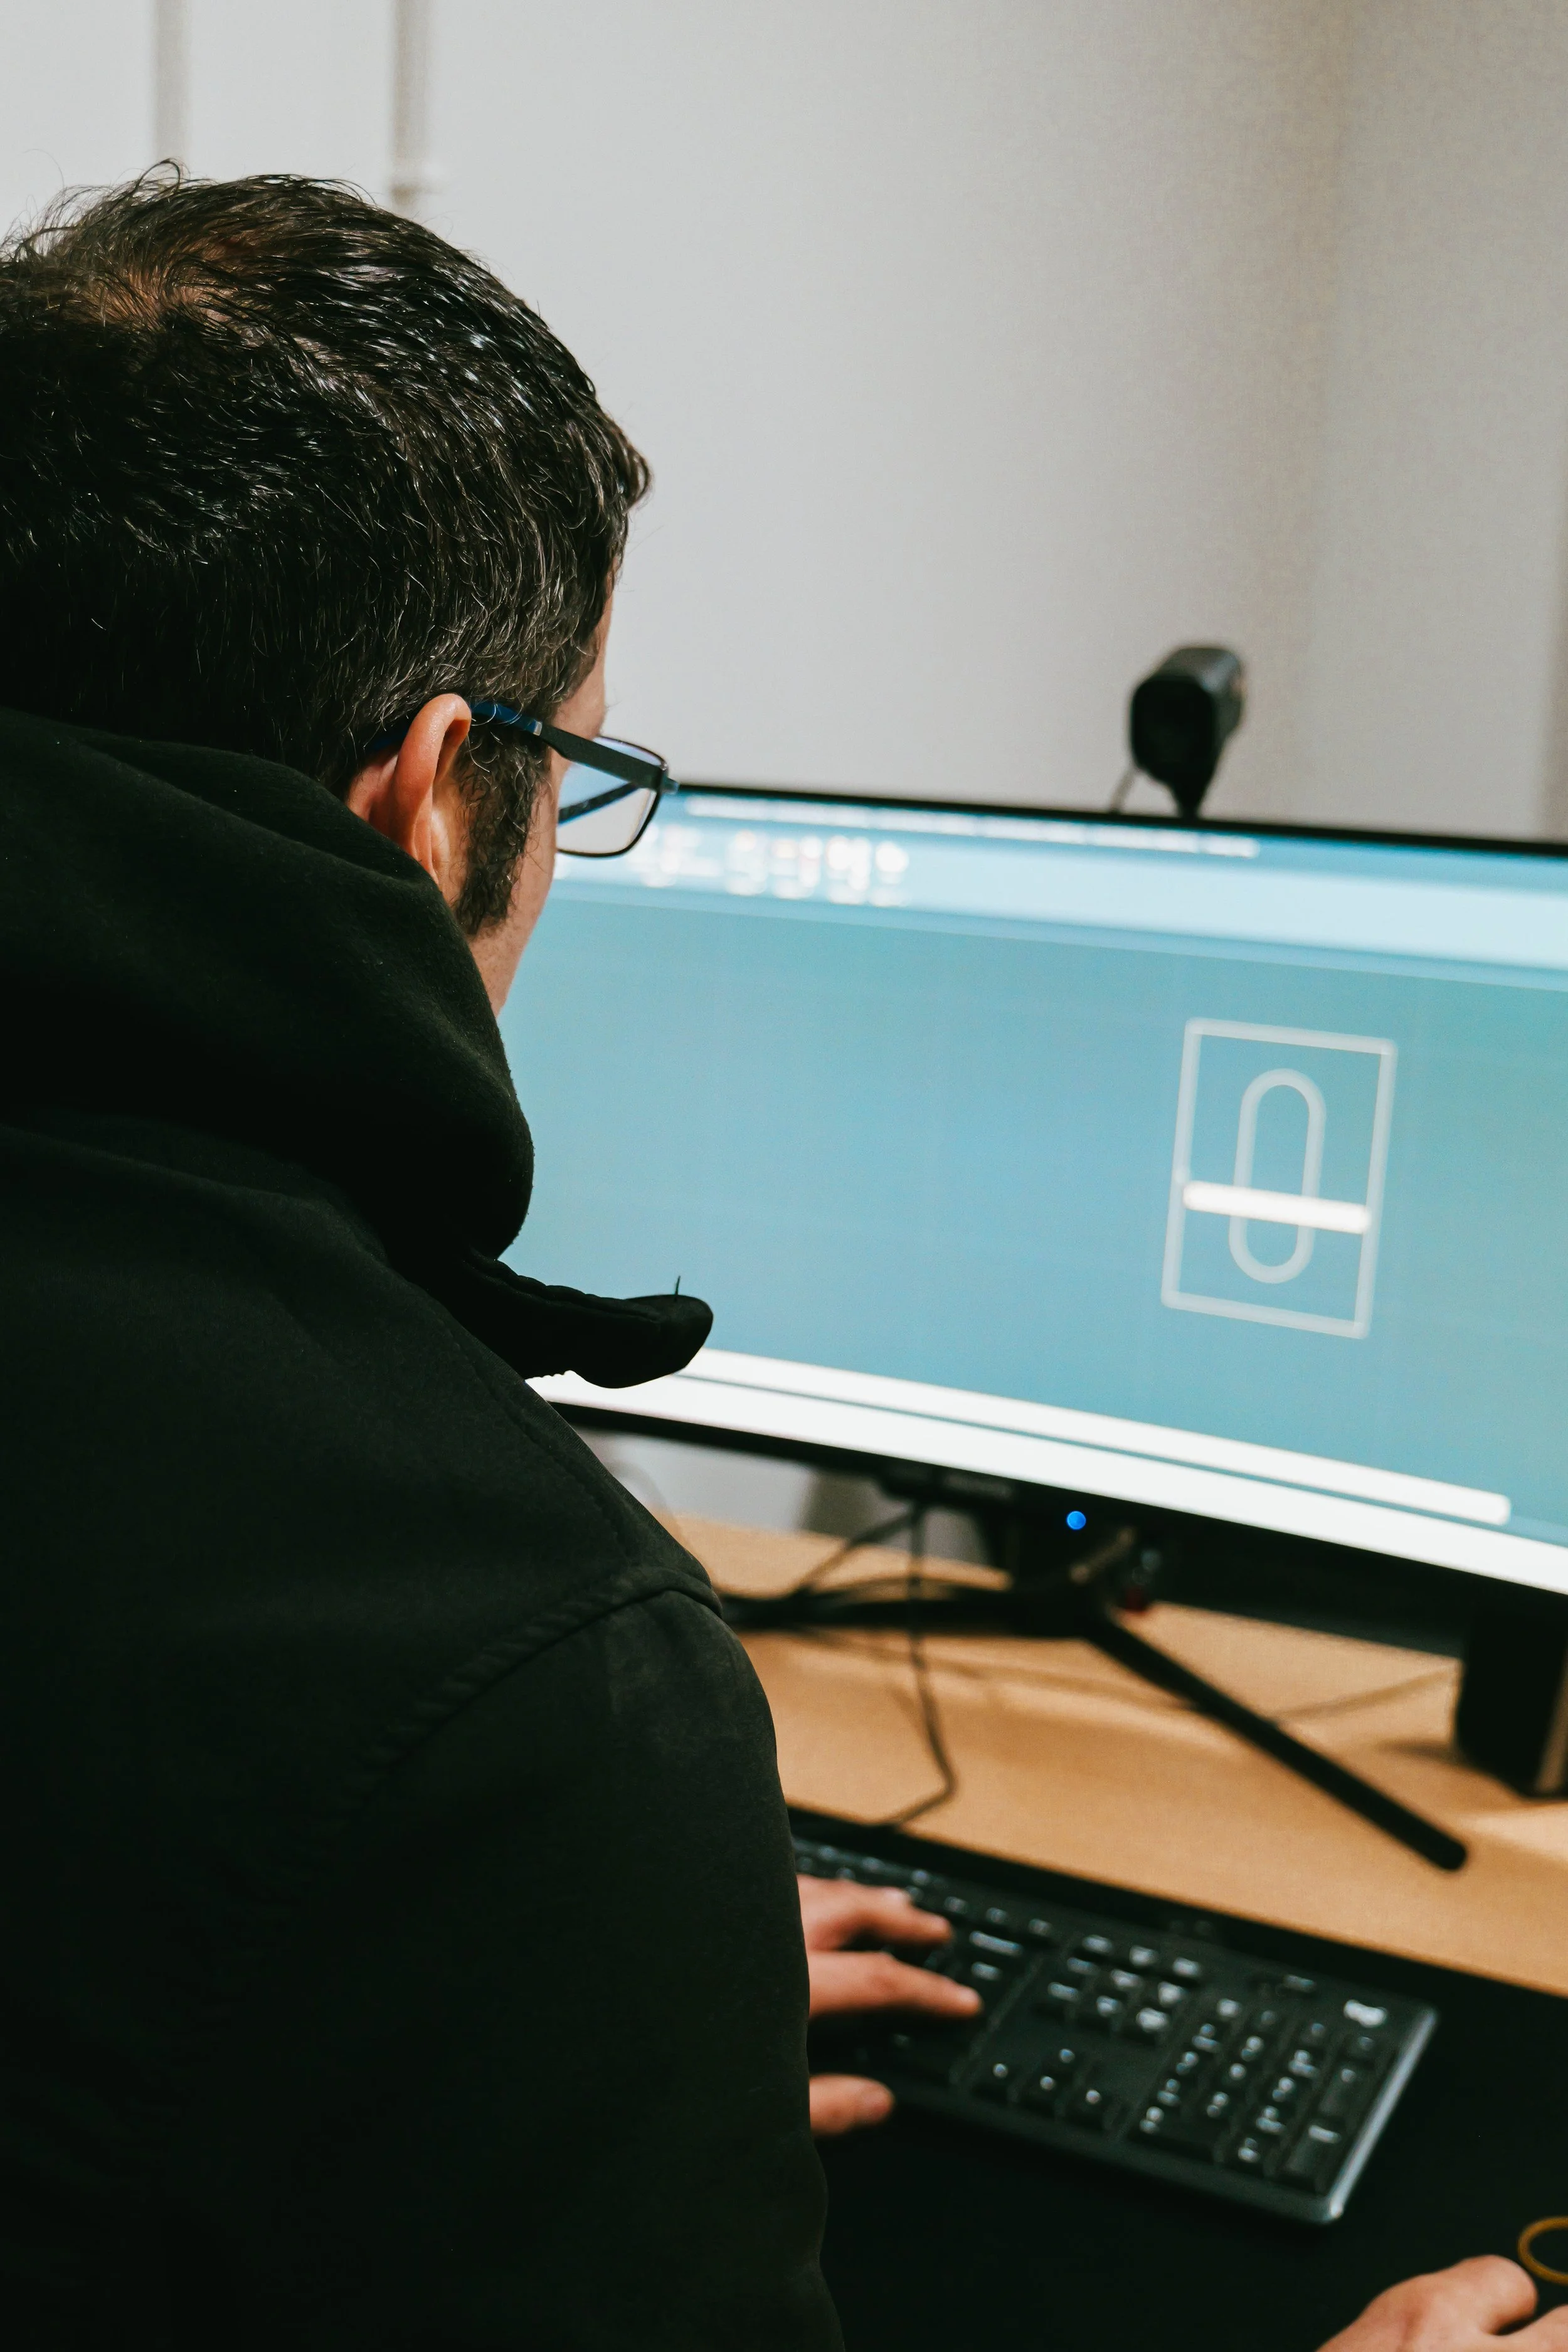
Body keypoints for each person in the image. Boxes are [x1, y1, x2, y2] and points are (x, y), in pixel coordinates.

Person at [0, 169, 1552, 2352]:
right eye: (580, 762)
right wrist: (564, 1883)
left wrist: (571, 1972)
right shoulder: (525, 1670)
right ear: (441, 795)